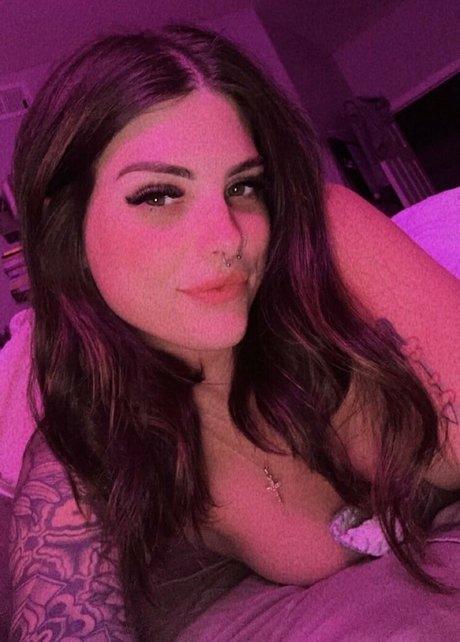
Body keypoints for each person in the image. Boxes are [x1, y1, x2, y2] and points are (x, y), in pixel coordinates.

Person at [6, 23, 460, 641]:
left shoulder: (324, 243)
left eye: (243, 186)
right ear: (67, 227)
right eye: (159, 195)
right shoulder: (85, 447)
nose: (228, 237)